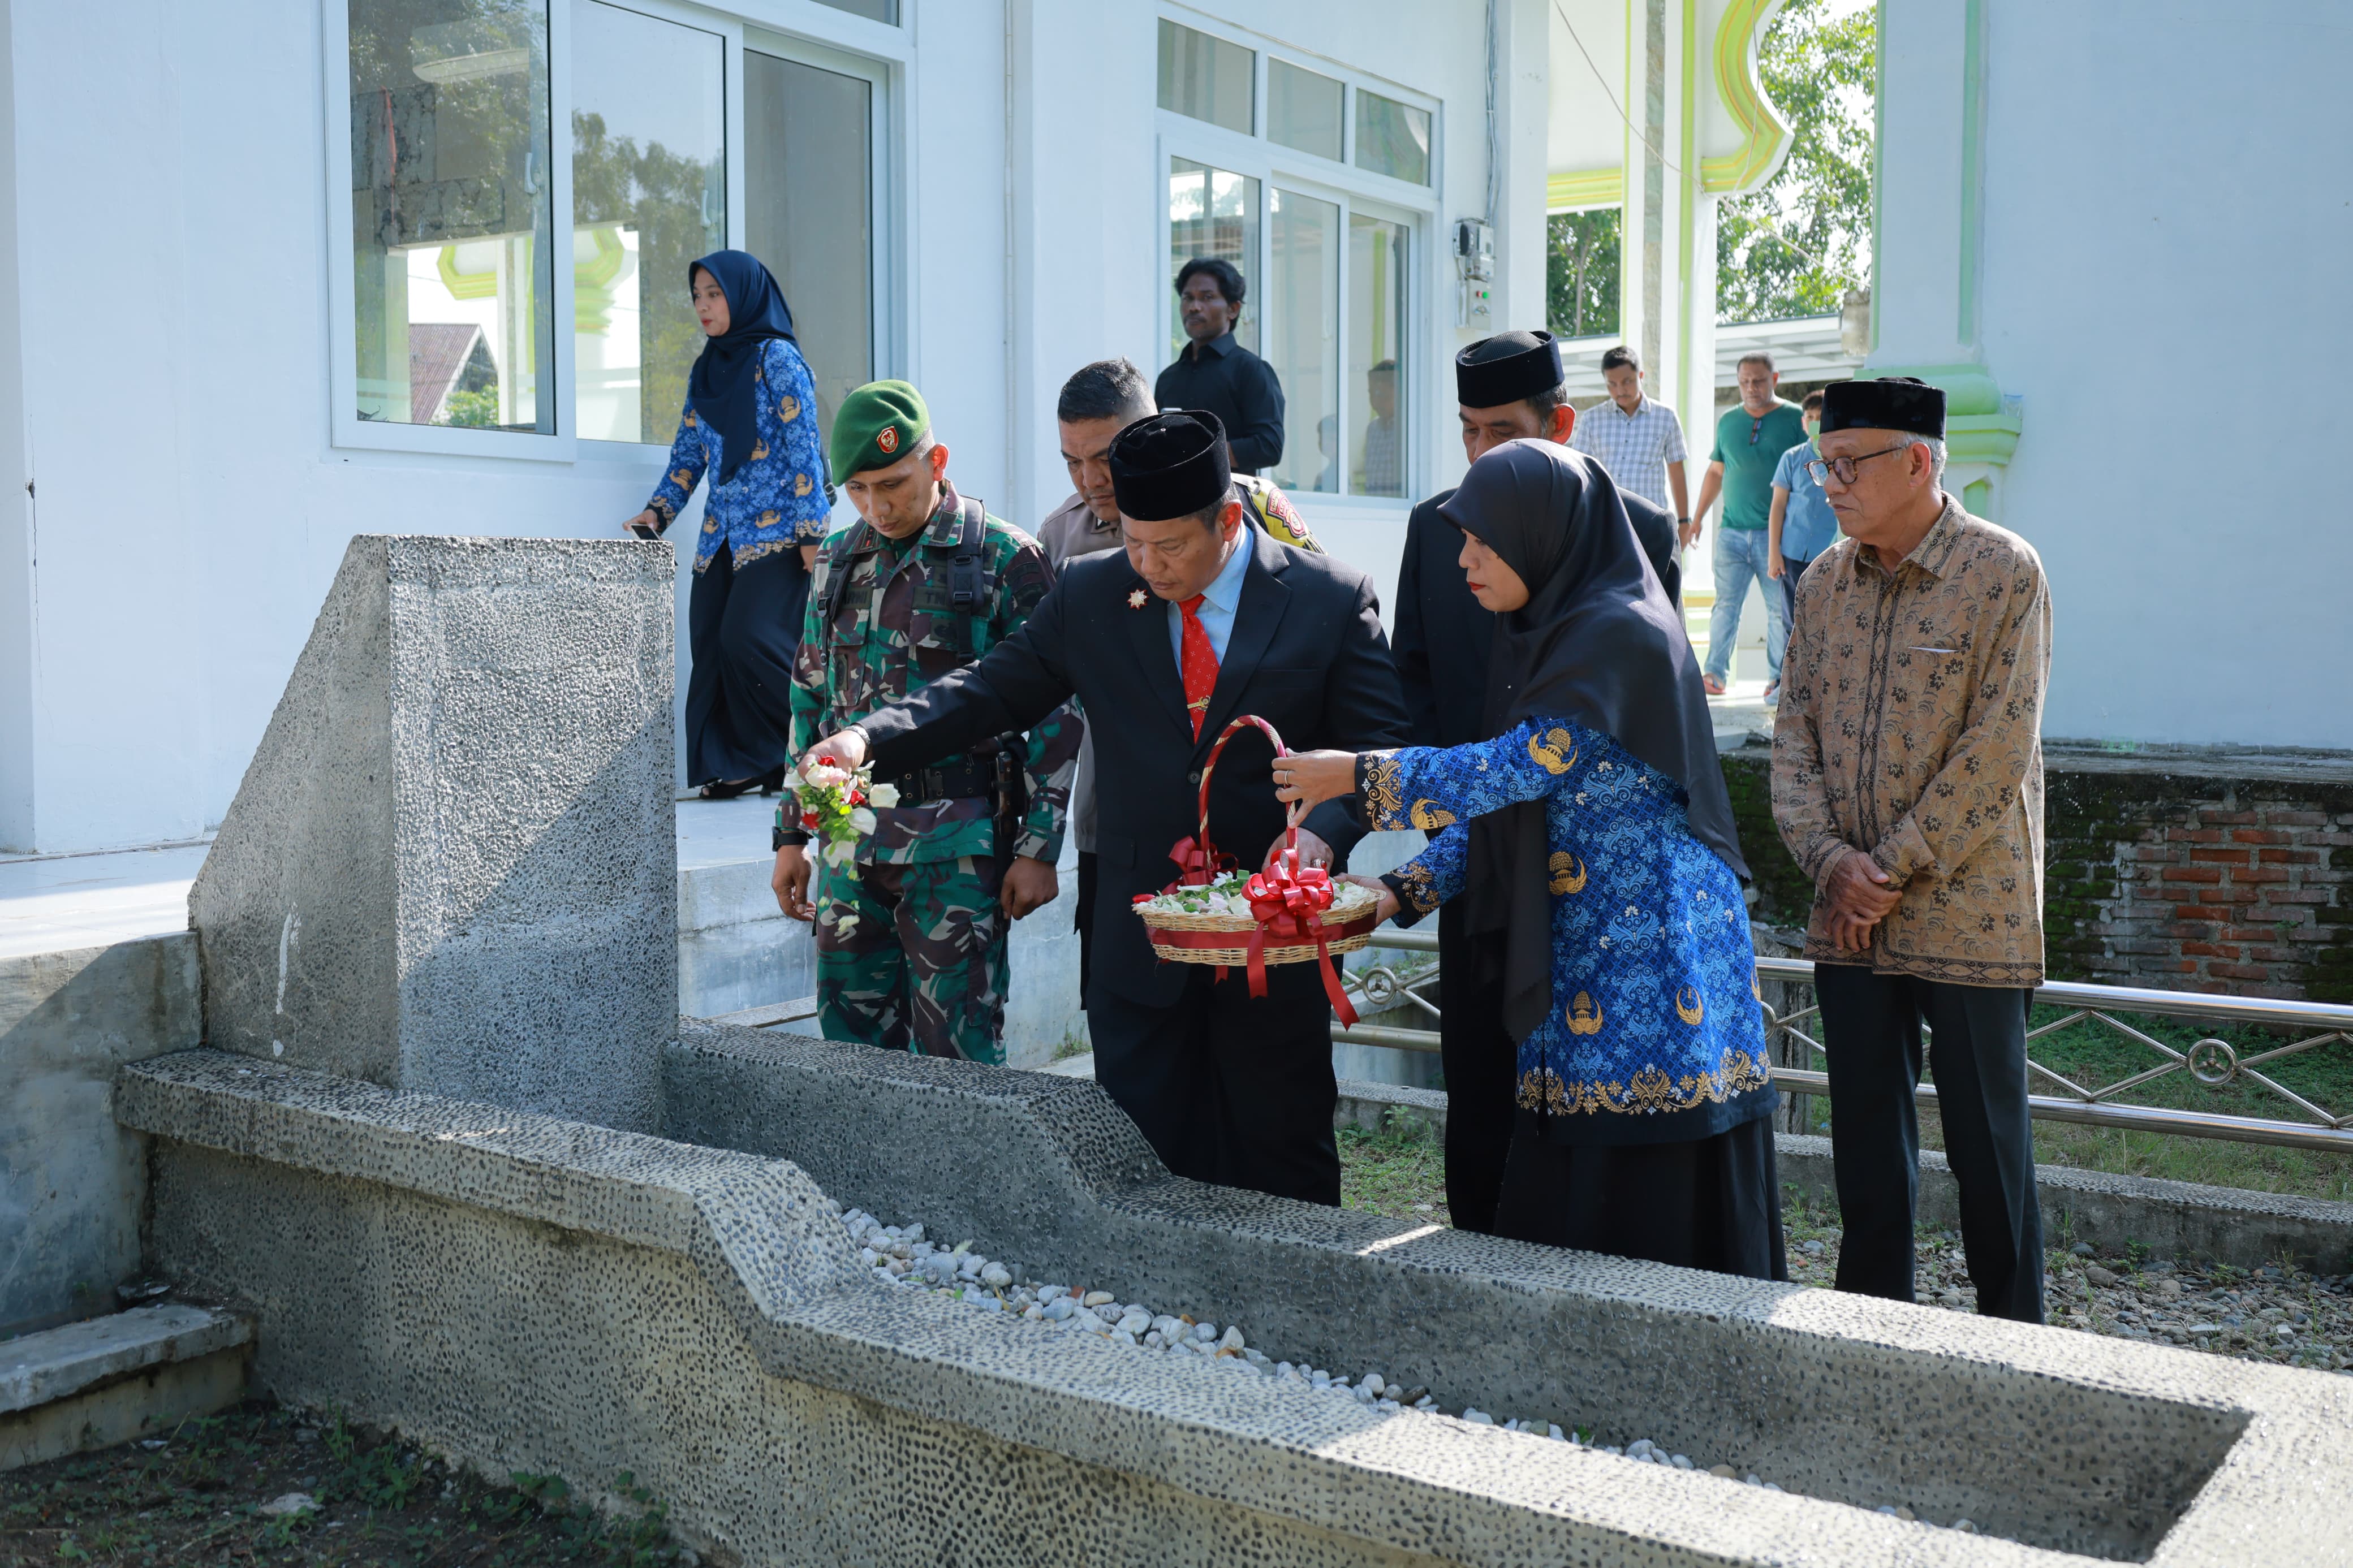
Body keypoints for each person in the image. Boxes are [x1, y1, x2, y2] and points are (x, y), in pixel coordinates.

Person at [799, 410, 1410, 1206]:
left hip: (1271, 940)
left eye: (1172, 546)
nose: (1149, 566)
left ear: (1227, 519)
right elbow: (987, 689)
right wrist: (863, 743)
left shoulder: (1327, 599)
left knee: (1281, 1155)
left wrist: (1324, 836)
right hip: (1140, 942)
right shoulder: (1092, 591)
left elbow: (1384, 750)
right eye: (1132, 540)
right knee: (1141, 1171)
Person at [1275, 440, 1783, 1280]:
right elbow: (1516, 811)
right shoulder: (1552, 631)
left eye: (1485, 540)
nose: (1466, 560)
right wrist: (1398, 890)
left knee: (1650, 1190)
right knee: (1575, 1177)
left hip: (1651, 958)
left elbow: (1516, 767)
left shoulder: (1614, 632)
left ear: (1543, 533)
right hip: (1586, 944)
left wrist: (1358, 776)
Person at [1771, 375, 2053, 1324]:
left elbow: (1998, 747)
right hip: (1848, 914)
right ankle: (1873, 1338)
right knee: (1866, 1152)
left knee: (1989, 1154)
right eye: (1823, 465)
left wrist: (1887, 864)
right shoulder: (1820, 582)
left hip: (1970, 917)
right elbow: (1793, 733)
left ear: (1920, 461)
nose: (1829, 485)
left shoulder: (2004, 573)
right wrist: (1829, 861)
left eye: (1848, 465)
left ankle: (2019, 1347)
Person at [1389, 329, 1683, 1235]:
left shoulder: (1642, 534)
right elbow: (1419, 698)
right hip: (1473, 865)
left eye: (1504, 430)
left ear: (1561, 422)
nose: (1482, 454)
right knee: (1478, 1091)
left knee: (1596, 1131)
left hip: (1600, 892)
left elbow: (1638, 730)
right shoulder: (1438, 532)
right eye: (1469, 432)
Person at [770, 381, 1078, 1066]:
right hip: (850, 850)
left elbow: (1058, 709)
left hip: (956, 850)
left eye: (893, 484)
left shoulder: (1004, 557)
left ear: (936, 461)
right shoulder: (838, 560)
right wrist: (791, 832)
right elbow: (810, 698)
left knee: (959, 1057)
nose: (877, 507)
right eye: (856, 490)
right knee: (852, 1054)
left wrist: (1037, 846)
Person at [1036, 360, 1322, 1003]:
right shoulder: (1061, 536)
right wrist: (1038, 838)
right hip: (1120, 818)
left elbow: (1322, 635)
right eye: (1071, 463)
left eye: (1105, 457)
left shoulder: (1249, 508)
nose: (1092, 482)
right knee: (1134, 1006)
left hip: (1252, 818)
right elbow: (1043, 696)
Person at [625, 250, 831, 798]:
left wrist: (813, 534)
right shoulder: (705, 372)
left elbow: (804, 448)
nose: (703, 306)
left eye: (714, 294)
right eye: (696, 296)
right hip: (721, 537)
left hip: (782, 536)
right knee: (712, 646)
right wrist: (657, 513)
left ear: (742, 295)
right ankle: (745, 761)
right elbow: (688, 456)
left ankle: (809, 749)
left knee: (750, 639)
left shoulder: (779, 359)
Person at [1690, 351, 1805, 697]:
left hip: (1777, 538)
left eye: (1759, 380)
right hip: (1731, 534)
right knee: (1725, 606)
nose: (1751, 388)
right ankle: (1714, 675)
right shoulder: (1728, 421)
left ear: (1775, 379)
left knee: (1778, 611)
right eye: (1744, 381)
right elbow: (1715, 472)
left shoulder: (1797, 419)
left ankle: (1777, 679)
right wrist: (1696, 519)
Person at [1156, 258, 1286, 475]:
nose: (1194, 307)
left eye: (1207, 297)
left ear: (1233, 309)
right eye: (1188, 298)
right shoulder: (1169, 378)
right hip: (1172, 504)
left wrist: (1202, 454)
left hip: (1231, 503)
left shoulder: (1251, 370)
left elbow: (1269, 446)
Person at [1570, 344, 1690, 528]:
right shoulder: (1592, 420)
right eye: (1612, 384)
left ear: (1641, 376)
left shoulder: (1666, 417)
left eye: (1627, 381)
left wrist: (1684, 522)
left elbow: (1677, 472)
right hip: (1608, 521)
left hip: (1652, 522)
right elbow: (1580, 473)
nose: (1620, 390)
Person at [1765, 390, 1837, 686]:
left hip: (1827, 554)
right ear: (1803, 422)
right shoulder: (1792, 458)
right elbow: (1778, 506)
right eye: (1811, 418)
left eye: (1821, 418)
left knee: (1824, 619)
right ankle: (1789, 683)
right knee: (1791, 621)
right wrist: (1774, 553)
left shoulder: (1841, 459)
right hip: (1792, 553)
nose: (1815, 422)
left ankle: (1820, 682)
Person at [1359, 359, 1402, 496]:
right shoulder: (1373, 429)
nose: (1375, 402)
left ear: (1399, 392)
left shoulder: (1406, 431)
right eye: (1372, 394)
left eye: (1382, 395)